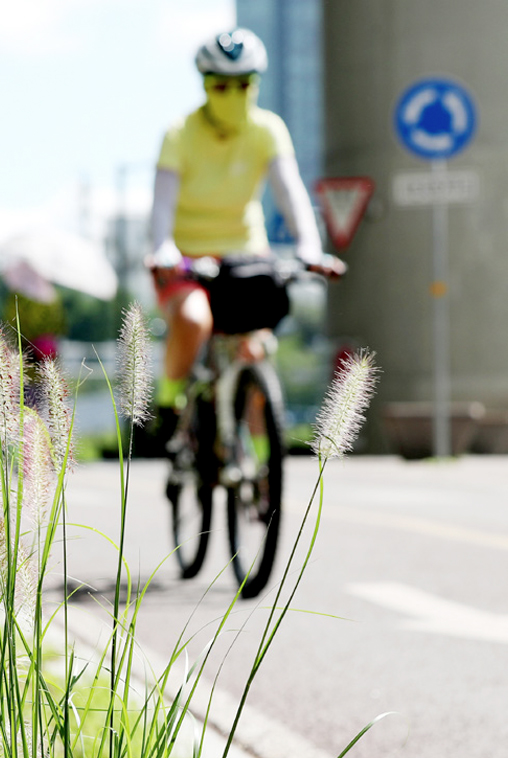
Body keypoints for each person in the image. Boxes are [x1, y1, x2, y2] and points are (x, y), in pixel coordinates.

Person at [147, 26, 345, 446]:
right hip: (187, 257)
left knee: (252, 351)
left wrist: (310, 246)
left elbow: (290, 192)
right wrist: (163, 247)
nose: (233, 94)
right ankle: (167, 403)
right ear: (205, 84)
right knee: (194, 319)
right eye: (221, 85)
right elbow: (162, 202)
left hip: (246, 253)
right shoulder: (179, 133)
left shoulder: (267, 129)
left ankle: (264, 467)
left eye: (244, 84)